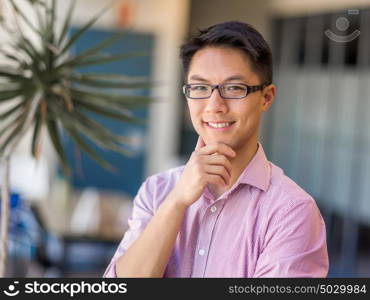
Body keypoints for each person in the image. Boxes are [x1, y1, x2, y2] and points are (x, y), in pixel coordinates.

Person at [103, 21, 329, 278]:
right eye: (200, 87)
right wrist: (176, 202)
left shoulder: (292, 212)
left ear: (266, 97)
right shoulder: (158, 191)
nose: (214, 105)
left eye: (233, 88)